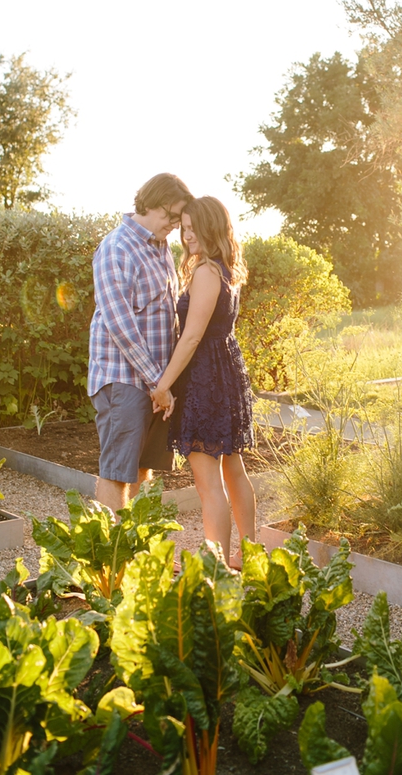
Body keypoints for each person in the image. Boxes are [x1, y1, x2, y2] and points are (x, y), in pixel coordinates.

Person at [151, 196, 255, 566]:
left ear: (211, 228)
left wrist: (164, 385)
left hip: (205, 379)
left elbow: (192, 336)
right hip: (225, 370)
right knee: (232, 466)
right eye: (184, 227)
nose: (186, 235)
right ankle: (249, 553)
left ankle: (217, 568)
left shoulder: (206, 271)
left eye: (194, 228)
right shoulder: (226, 268)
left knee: (208, 477)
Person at [87, 172, 191, 514]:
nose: (175, 226)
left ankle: (131, 551)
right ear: (150, 203)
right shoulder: (116, 248)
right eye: (171, 216)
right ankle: (109, 558)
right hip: (125, 379)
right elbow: (121, 326)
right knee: (117, 471)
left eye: (178, 220)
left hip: (155, 383)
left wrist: (164, 383)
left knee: (143, 466)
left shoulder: (160, 247)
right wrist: (156, 382)